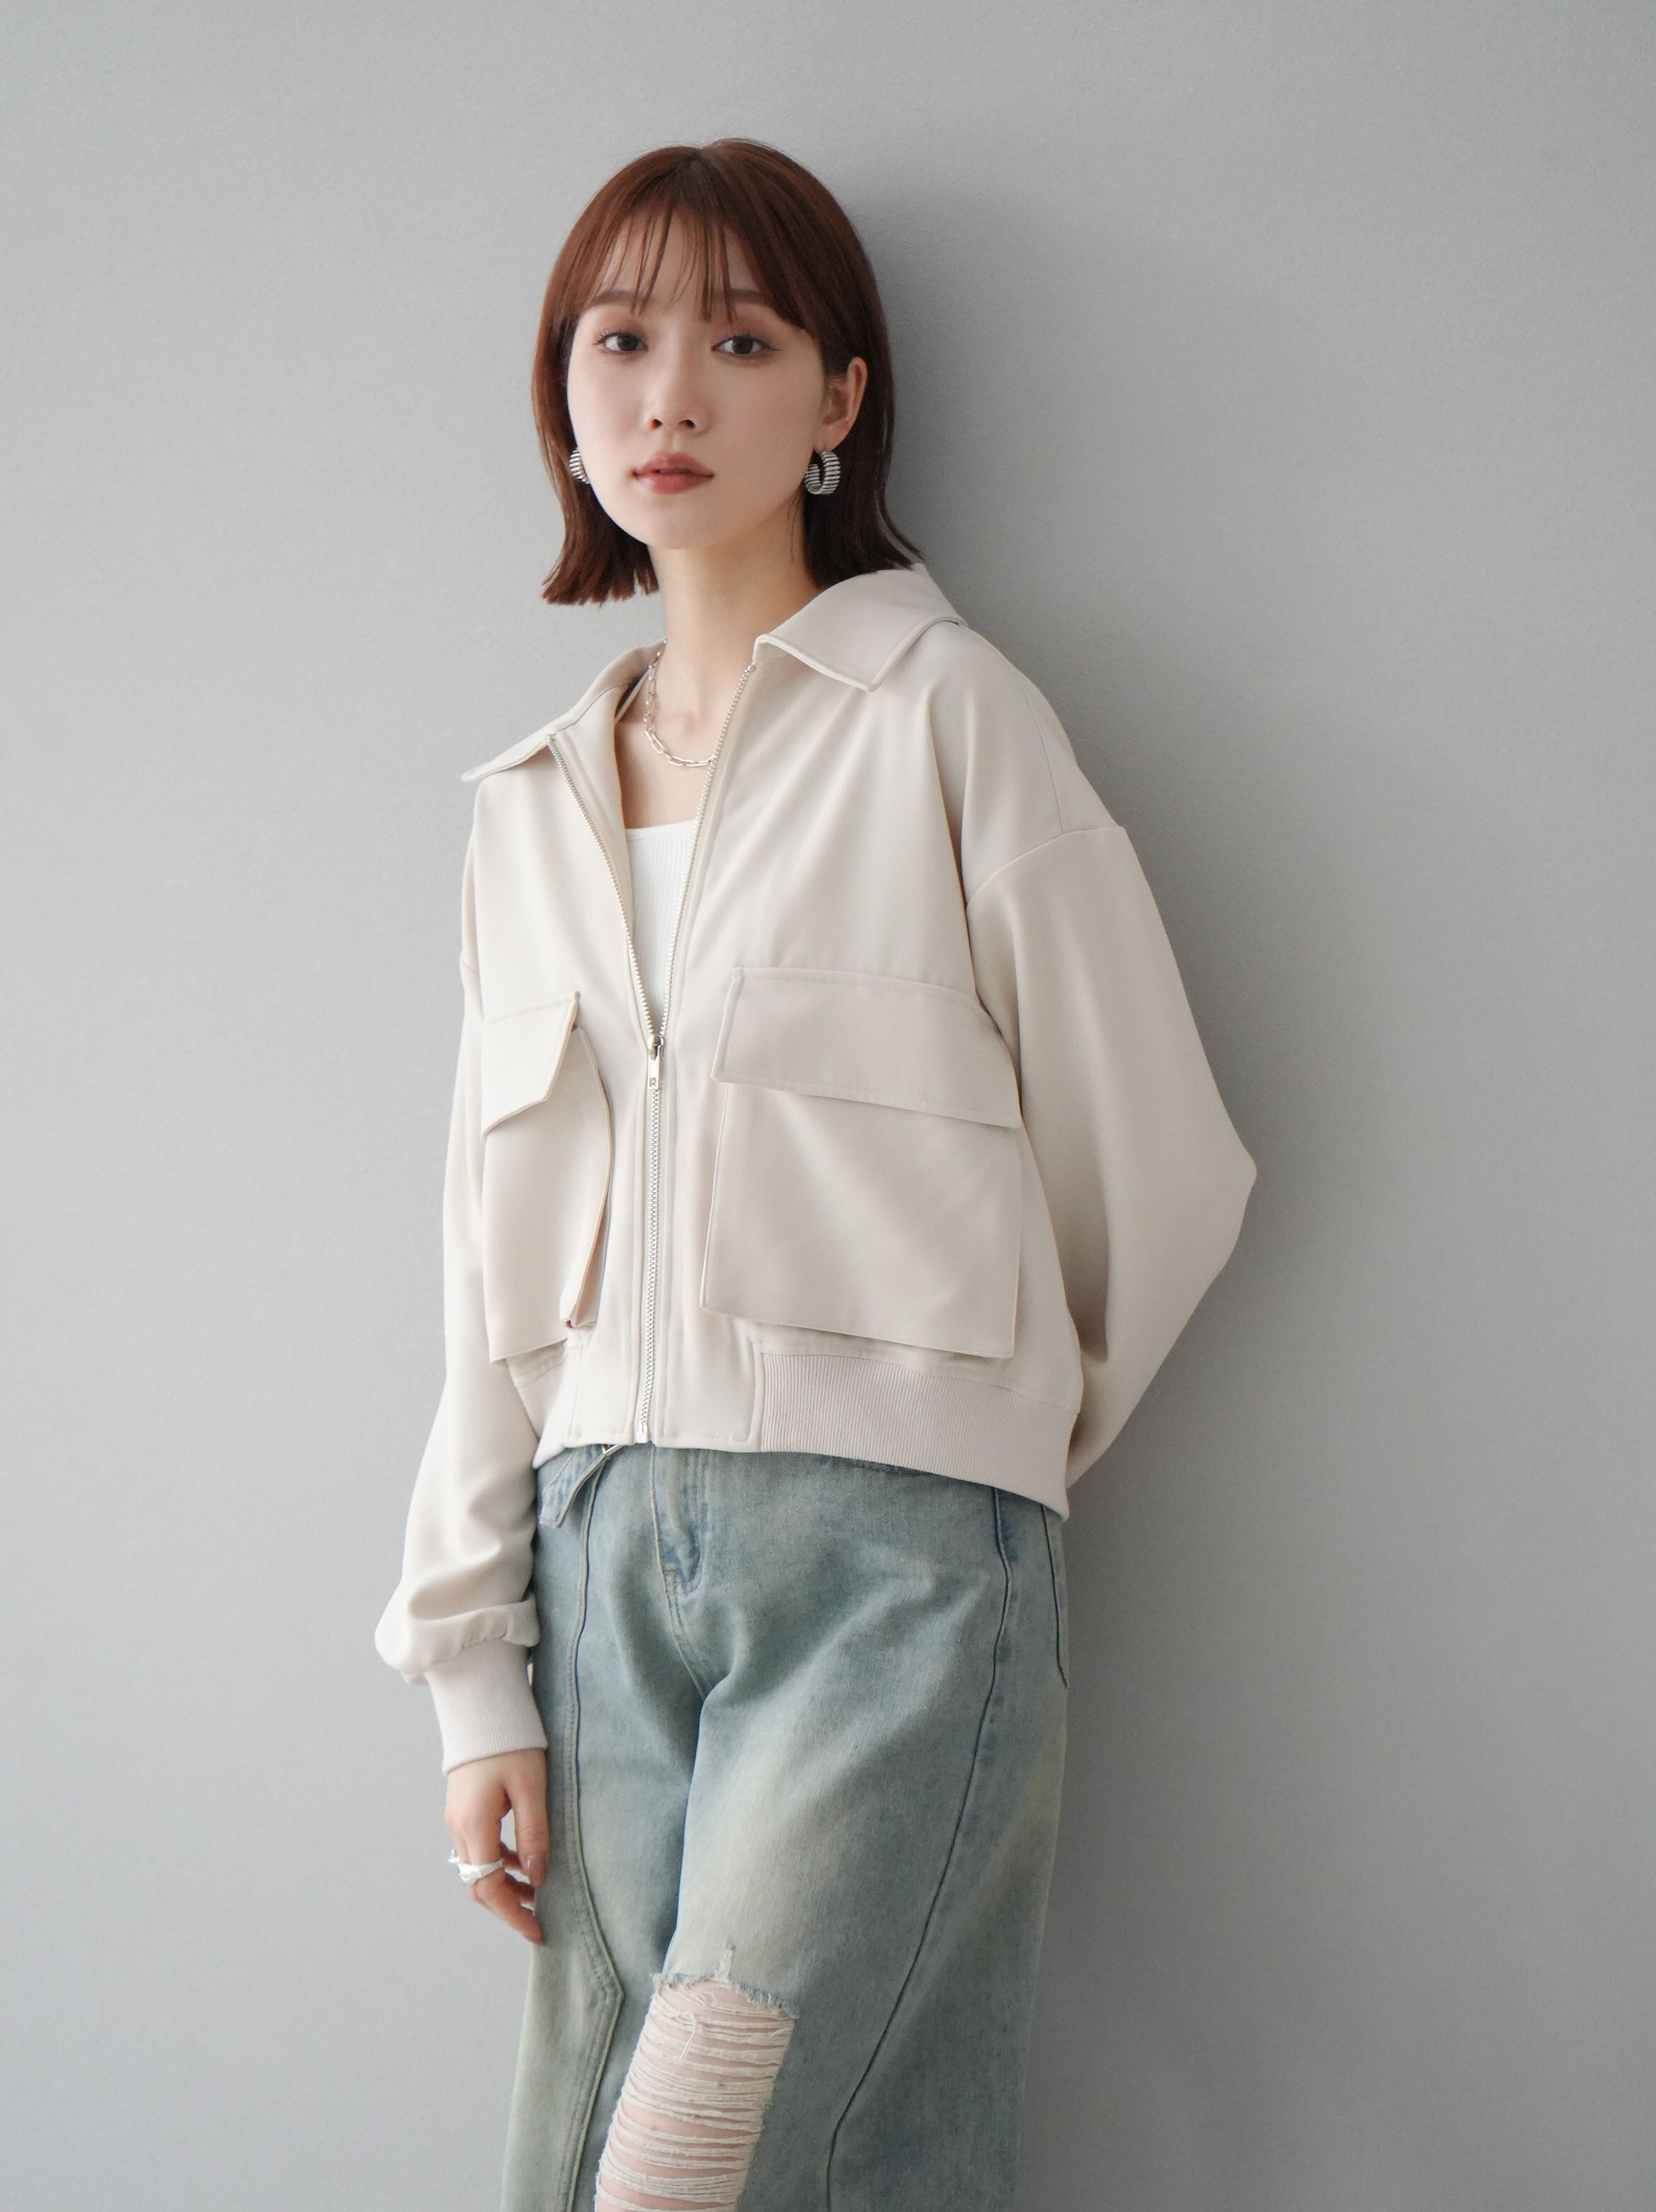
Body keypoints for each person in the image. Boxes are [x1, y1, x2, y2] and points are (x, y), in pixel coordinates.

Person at [375, 138, 1257, 2212]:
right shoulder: (526, 808)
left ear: (840, 398)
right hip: (597, 1564)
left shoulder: (948, 719)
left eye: (742, 342)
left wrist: (955, 1449)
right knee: (616, 2160)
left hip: (895, 1575)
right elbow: (487, 1275)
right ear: (562, 393)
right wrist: (473, 1675)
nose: (669, 397)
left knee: (692, 2164)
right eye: (618, 343)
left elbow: (1162, 1163)